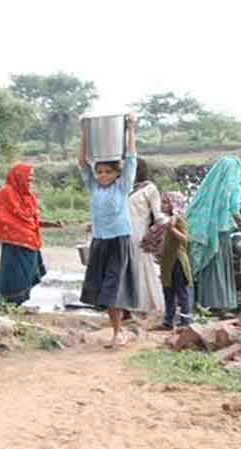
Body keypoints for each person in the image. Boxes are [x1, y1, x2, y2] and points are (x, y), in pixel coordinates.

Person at [77, 113, 140, 348]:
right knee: (102, 289)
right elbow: (83, 162)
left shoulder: (122, 187)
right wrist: (84, 130)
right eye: (100, 172)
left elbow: (132, 158)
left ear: (117, 174)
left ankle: (118, 332)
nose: (102, 176)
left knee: (113, 288)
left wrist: (130, 129)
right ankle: (119, 329)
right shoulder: (95, 187)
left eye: (107, 172)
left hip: (119, 242)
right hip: (100, 242)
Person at [0, 162, 63, 306]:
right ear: (18, 176)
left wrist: (51, 223)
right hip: (14, 246)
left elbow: (29, 220)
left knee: (26, 276)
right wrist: (4, 229)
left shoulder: (28, 197)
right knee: (13, 277)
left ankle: (17, 306)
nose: (31, 180)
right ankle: (6, 305)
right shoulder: (6, 193)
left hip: (31, 244)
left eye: (31, 178)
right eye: (28, 177)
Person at [186, 155, 241, 311]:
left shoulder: (207, 188)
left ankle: (202, 301)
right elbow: (235, 213)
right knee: (219, 268)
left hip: (205, 233)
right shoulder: (233, 187)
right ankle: (219, 303)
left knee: (207, 267)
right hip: (221, 233)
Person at [128, 158, 167, 316]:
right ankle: (124, 305)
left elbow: (158, 214)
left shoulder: (150, 188)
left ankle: (143, 304)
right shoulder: (123, 187)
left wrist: (165, 224)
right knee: (124, 268)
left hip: (139, 232)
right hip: (120, 231)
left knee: (140, 266)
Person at [159, 191, 193, 329]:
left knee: (181, 292)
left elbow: (186, 239)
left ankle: (186, 321)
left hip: (178, 261)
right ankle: (168, 321)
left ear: (174, 204)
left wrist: (172, 229)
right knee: (168, 292)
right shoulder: (167, 220)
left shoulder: (179, 220)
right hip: (167, 262)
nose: (162, 205)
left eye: (165, 202)